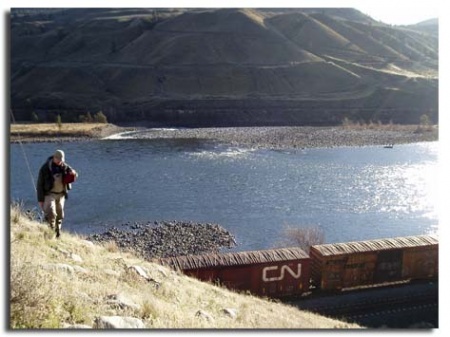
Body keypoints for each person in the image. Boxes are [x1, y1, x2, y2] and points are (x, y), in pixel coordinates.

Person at [37, 149, 78, 238]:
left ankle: (57, 232)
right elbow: (39, 184)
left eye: (61, 160)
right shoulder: (45, 168)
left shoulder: (64, 166)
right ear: (54, 158)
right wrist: (40, 199)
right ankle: (50, 233)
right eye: (59, 160)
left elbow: (73, 172)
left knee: (60, 215)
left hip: (61, 194)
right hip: (49, 194)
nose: (60, 162)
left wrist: (74, 173)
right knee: (51, 213)